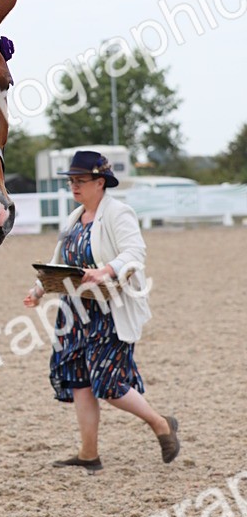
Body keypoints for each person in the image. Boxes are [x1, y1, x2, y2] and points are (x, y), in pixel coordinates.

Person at [23, 149, 180, 472]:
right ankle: (88, 454)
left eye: (81, 181)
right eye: (72, 181)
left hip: (108, 309)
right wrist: (39, 288)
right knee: (80, 381)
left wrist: (106, 270)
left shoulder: (118, 213)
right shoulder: (73, 218)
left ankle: (160, 423)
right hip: (73, 312)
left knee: (108, 385)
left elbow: (135, 252)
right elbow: (59, 259)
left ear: (100, 182)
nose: (74, 187)